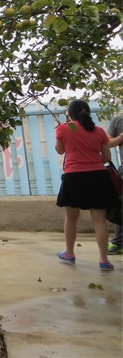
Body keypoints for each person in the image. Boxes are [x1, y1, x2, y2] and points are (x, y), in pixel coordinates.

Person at [54, 99, 118, 271]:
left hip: (73, 177)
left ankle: (69, 253)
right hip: (98, 177)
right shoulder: (98, 131)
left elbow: (60, 150)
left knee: (71, 218)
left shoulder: (64, 129)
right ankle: (104, 260)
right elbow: (106, 158)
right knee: (99, 220)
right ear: (89, 113)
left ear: (70, 114)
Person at [106, 114, 123, 255]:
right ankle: (119, 242)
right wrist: (120, 138)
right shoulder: (118, 120)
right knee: (122, 205)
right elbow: (108, 142)